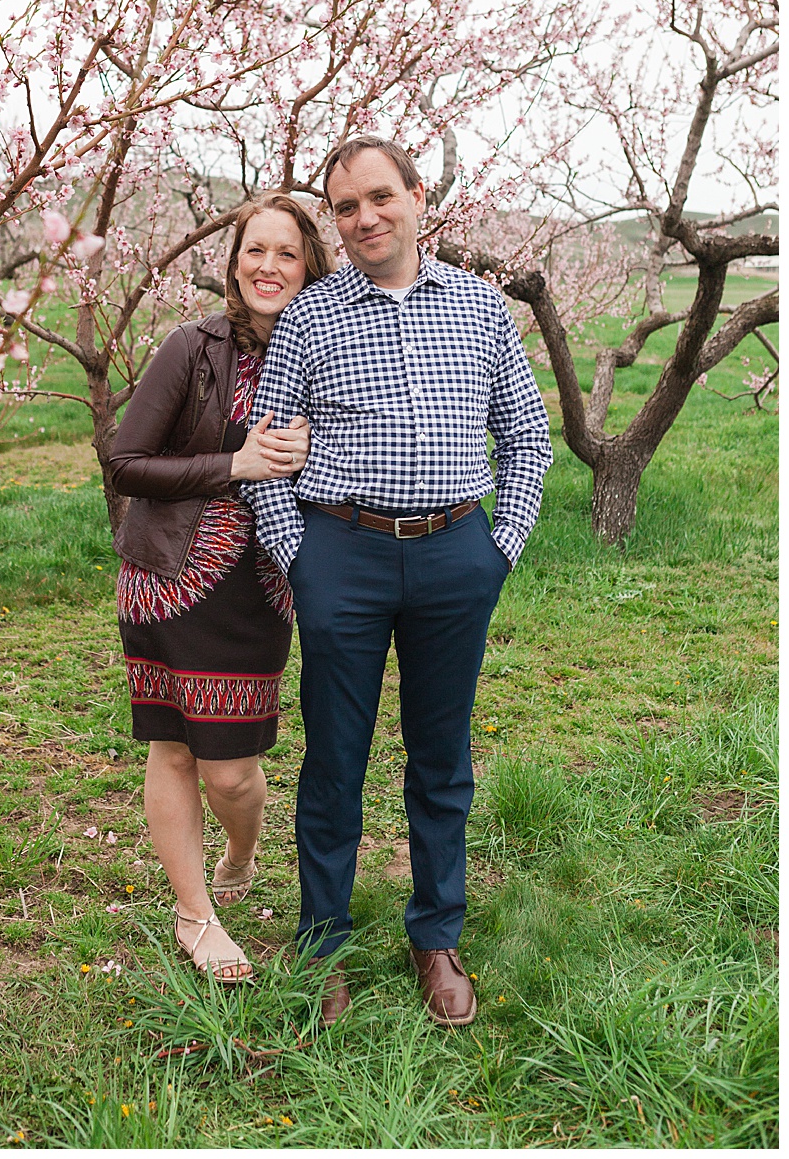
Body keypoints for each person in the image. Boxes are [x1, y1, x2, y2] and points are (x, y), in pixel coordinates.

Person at [244, 136, 553, 1028]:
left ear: (419, 197)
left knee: (441, 757)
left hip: (456, 554)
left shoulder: (483, 309)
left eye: (381, 197)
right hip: (341, 552)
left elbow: (526, 440)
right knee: (334, 758)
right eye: (345, 207)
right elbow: (267, 453)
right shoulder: (311, 316)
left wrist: (500, 550)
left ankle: (436, 932)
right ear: (333, 221)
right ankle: (323, 939)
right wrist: (298, 557)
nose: (365, 218)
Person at [106, 194, 329, 983]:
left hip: (262, 586)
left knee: (232, 770)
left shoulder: (331, 350)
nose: (268, 266)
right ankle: (195, 914)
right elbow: (126, 460)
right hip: (169, 578)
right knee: (174, 747)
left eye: (287, 253)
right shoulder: (190, 348)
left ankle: (240, 843)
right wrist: (232, 463)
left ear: (311, 265)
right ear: (235, 262)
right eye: (254, 250)